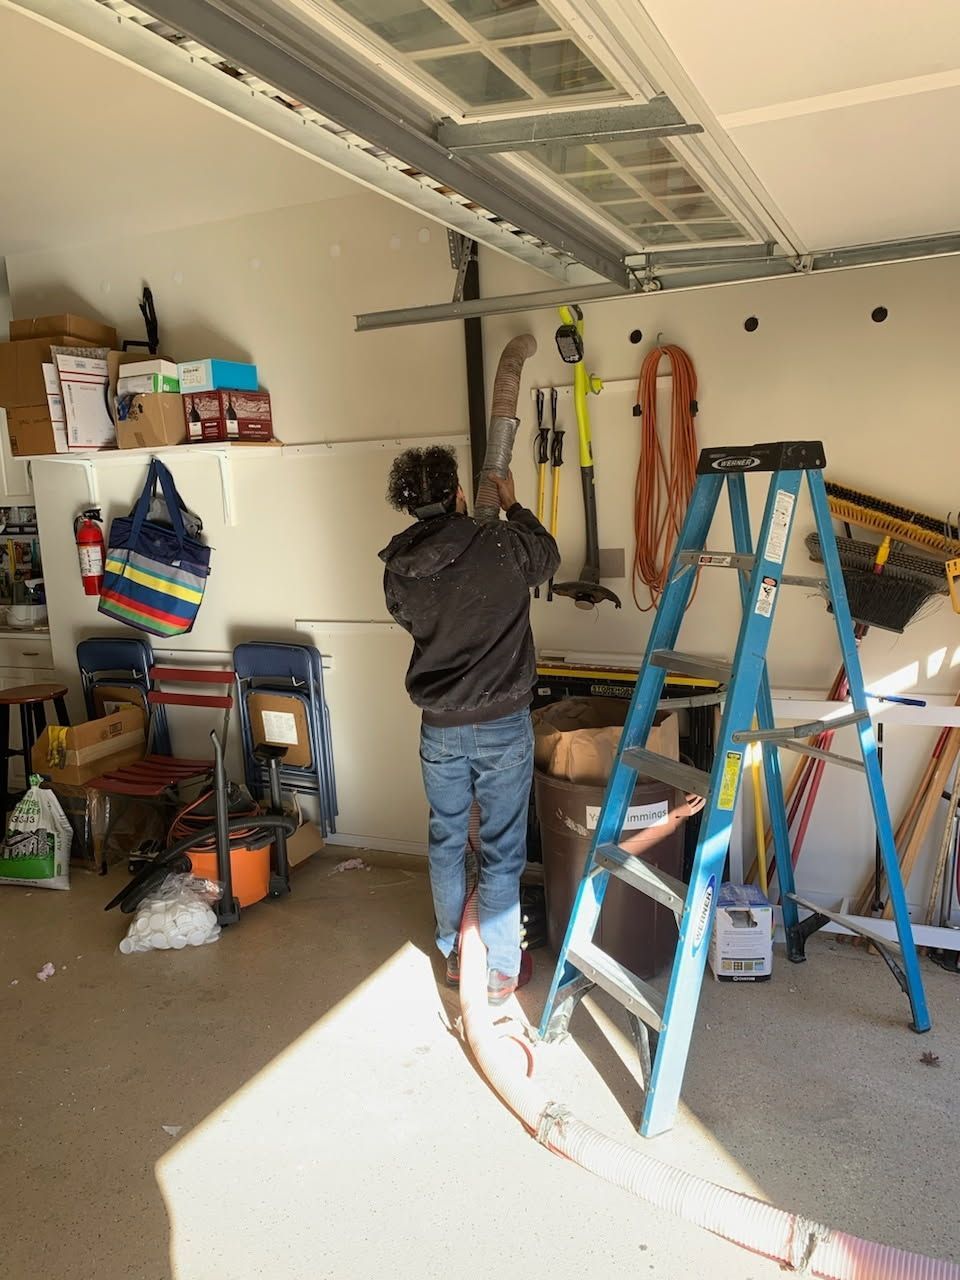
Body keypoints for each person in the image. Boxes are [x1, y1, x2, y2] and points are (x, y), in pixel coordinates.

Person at [380, 445, 560, 1004]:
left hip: (439, 726)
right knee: (502, 848)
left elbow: (409, 619)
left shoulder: (400, 566)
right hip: (502, 722)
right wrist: (515, 507)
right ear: (459, 493)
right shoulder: (501, 542)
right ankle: (500, 969)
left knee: (448, 839)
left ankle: (455, 955)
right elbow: (548, 558)